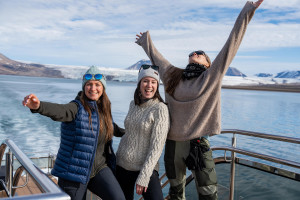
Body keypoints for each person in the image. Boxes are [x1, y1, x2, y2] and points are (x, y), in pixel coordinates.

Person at [135, 0, 264, 199]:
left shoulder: (210, 77)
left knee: (208, 193)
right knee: (176, 192)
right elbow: (157, 58)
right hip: (173, 144)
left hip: (198, 144)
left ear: (208, 63)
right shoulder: (173, 76)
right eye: (192, 53)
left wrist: (248, 10)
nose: (195, 53)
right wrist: (145, 41)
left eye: (200, 54)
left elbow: (232, 43)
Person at [22, 66, 126, 200]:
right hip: (73, 172)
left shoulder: (103, 109)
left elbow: (111, 127)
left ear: (103, 88)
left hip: (99, 168)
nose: (93, 88)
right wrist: (38, 106)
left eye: (97, 85)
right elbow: (60, 111)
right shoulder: (75, 108)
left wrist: (130, 133)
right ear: (84, 87)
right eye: (89, 84)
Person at [115, 64, 170, 200]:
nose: (149, 85)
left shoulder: (160, 109)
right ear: (139, 83)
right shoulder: (132, 104)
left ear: (157, 85)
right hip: (122, 165)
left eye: (153, 82)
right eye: (145, 81)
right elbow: (130, 132)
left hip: (145, 168)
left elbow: (156, 147)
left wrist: (145, 175)